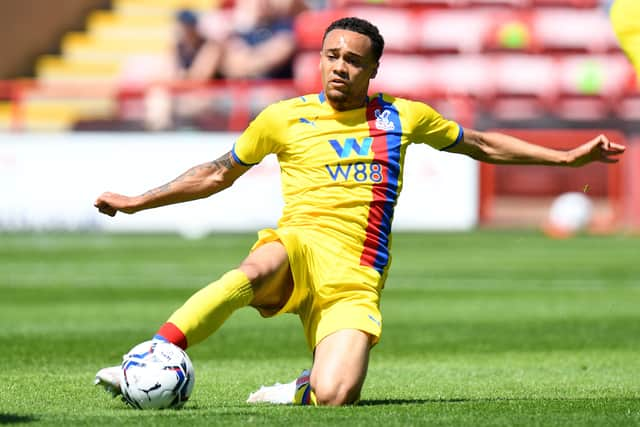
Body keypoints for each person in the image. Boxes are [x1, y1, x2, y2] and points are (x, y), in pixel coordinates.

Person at [94, 17, 626, 406]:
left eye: (352, 59)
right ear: (319, 59)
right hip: (298, 245)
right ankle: (148, 358)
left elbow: (481, 143)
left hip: (355, 276)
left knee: (336, 396)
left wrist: (565, 156)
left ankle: (304, 387)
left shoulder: (403, 117)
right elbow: (216, 173)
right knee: (252, 270)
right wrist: (138, 201)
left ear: (373, 67)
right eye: (331, 56)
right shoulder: (283, 118)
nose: (340, 67)